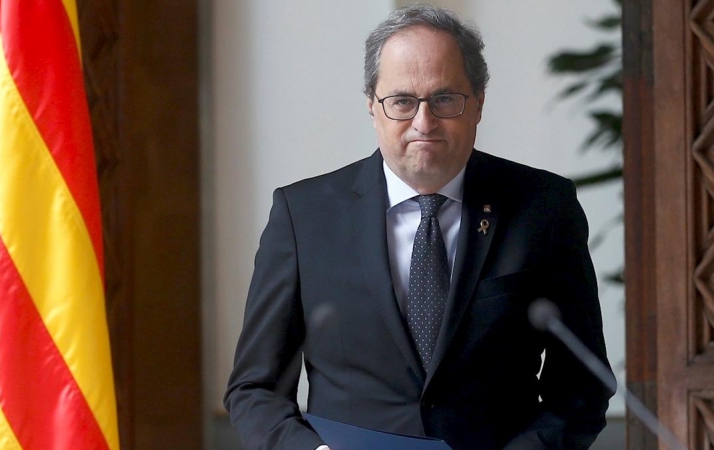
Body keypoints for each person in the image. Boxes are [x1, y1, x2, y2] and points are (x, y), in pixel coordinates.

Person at [224, 4, 613, 450]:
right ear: (372, 106)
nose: (423, 123)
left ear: (479, 103)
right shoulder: (303, 215)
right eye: (402, 101)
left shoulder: (544, 208)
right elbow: (254, 390)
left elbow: (582, 387)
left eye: (445, 99)